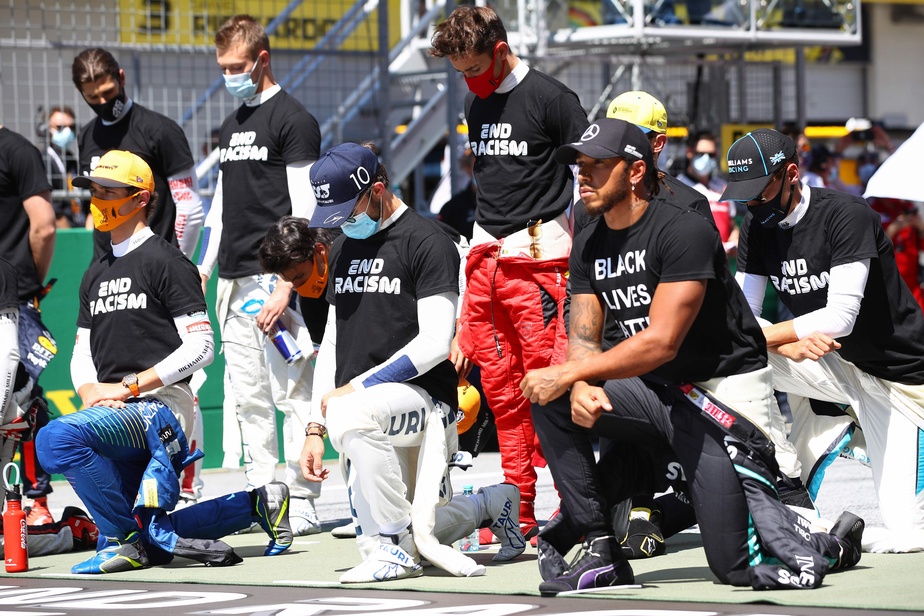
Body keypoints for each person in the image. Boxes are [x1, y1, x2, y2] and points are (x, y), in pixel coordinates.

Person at [519, 118, 864, 594]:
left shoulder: (684, 229)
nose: (583, 174)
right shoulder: (590, 238)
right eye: (579, 164)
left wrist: (575, 372)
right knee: (549, 396)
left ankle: (831, 542)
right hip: (653, 391)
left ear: (635, 171)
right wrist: (578, 383)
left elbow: (663, 341)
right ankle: (602, 552)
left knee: (736, 568)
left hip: (722, 396)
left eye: (597, 165)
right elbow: (584, 333)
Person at [273, 142, 526, 583]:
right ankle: (490, 504)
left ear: (376, 189)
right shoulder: (345, 249)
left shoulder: (428, 242)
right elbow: (331, 344)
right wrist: (314, 427)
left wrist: (353, 391)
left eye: (346, 211)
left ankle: (392, 547)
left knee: (351, 417)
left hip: (427, 401)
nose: (341, 225)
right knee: (414, 527)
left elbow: (433, 343)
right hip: (371, 407)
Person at [35, 150, 295, 574]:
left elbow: (202, 348)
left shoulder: (168, 261)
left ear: (140, 199)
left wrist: (127, 387)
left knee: (53, 440)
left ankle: (123, 543)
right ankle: (260, 503)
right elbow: (82, 350)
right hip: (115, 411)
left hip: (160, 410)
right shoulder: (94, 272)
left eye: (107, 192)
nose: (96, 201)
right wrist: (90, 393)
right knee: (151, 530)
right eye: (93, 192)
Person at [429, 5, 589, 541]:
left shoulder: (553, 99)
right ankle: (515, 511)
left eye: (472, 68)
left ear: (500, 50)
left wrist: (584, 259)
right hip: (485, 264)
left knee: (552, 387)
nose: (466, 80)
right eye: (458, 71)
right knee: (502, 395)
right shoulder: (477, 103)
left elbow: (587, 183)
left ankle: (579, 512)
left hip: (542, 264)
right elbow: (491, 187)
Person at [726, 127, 924, 553]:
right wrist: (784, 344)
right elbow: (743, 319)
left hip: (900, 379)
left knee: (906, 535)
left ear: (792, 173)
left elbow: (840, 318)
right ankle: (789, 483)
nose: (751, 205)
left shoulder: (846, 214)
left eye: (758, 192)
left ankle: (860, 432)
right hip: (831, 367)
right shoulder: (757, 227)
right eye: (743, 196)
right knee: (726, 362)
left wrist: (774, 339)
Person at [195, 14, 323, 535]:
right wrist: (203, 267)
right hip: (233, 278)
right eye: (223, 68)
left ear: (262, 60)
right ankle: (264, 497)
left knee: (289, 392)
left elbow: (305, 210)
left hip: (274, 281)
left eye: (237, 67)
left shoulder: (293, 119)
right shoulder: (231, 125)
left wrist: (287, 285)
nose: (229, 76)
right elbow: (222, 205)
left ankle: (304, 497)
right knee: (246, 396)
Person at [71, 47, 203, 261]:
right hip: (105, 265)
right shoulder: (86, 136)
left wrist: (177, 264)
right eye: (93, 97)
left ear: (121, 78)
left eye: (108, 92)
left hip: (154, 264)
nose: (103, 103)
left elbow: (190, 208)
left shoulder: (159, 129)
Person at [0, 122, 58, 527]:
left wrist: (29, 284)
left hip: (13, 298)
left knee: (22, 400)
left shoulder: (17, 150)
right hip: (14, 294)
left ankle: (37, 502)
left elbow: (44, 225)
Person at [677, 130, 739, 255]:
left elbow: (732, 225)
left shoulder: (723, 187)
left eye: (711, 155)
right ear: (689, 152)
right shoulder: (677, 187)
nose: (706, 158)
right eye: (700, 154)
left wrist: (735, 240)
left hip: (722, 266)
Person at [39, 106, 85, 228]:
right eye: (60, 127)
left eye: (72, 127)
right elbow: (54, 209)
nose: (68, 132)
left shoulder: (71, 159)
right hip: (64, 233)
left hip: (80, 225)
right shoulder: (44, 160)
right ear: (44, 130)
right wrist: (73, 240)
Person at [437, 146, 477, 240]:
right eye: (478, 165)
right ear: (467, 168)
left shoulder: (509, 204)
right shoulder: (451, 209)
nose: (485, 171)